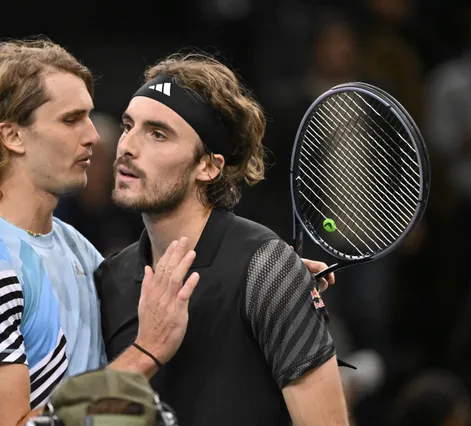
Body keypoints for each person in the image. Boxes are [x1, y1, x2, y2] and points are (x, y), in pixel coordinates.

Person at [0, 39, 201, 426]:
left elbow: (168, 310)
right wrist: (145, 354)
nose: (94, 137)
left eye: (89, 117)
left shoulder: (77, 248)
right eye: (70, 120)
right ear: (12, 135)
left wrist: (267, 273)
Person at [96, 53, 348, 426]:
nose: (127, 146)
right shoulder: (111, 278)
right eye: (128, 126)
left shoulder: (269, 269)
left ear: (208, 166)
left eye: (158, 134)